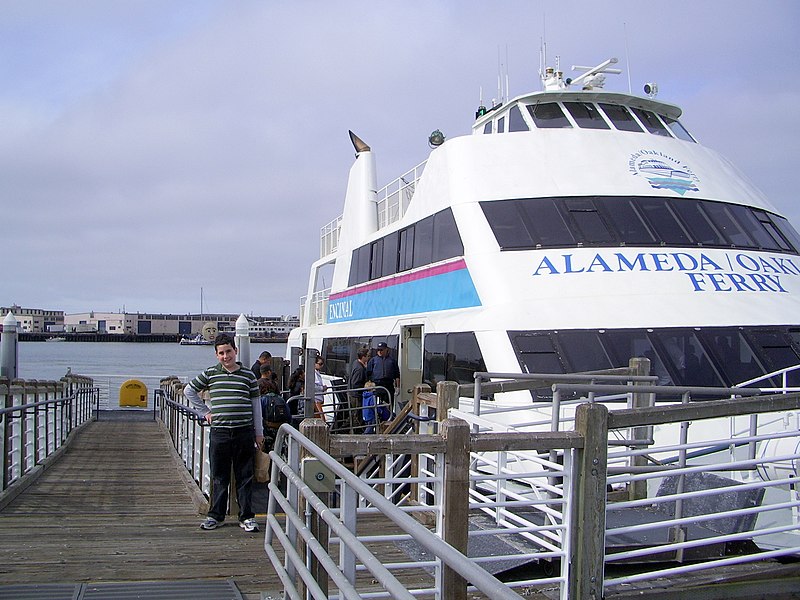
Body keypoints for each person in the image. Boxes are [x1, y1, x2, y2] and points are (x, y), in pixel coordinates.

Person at [184, 333, 263, 533]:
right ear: (216, 355)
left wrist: (259, 433)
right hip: (219, 432)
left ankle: (246, 516)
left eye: (228, 351)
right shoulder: (211, 373)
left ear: (235, 351)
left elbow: (256, 407)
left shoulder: (248, 376)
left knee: (245, 475)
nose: (226, 356)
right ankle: (215, 515)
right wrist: (205, 412)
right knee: (219, 475)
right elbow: (189, 390)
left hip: (244, 431)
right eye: (221, 353)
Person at [367, 342, 400, 408]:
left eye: (381, 350)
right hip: (377, 386)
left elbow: (397, 375)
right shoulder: (373, 360)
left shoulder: (392, 361)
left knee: (389, 405)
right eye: (378, 350)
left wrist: (398, 387)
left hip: (388, 386)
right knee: (376, 405)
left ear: (386, 350)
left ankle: (389, 416)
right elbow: (368, 373)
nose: (379, 351)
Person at [347, 348, 369, 431]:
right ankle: (355, 431)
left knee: (353, 415)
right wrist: (366, 387)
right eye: (367, 356)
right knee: (356, 415)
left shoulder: (355, 363)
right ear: (363, 357)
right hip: (356, 395)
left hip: (353, 393)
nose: (368, 358)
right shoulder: (359, 369)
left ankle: (345, 429)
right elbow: (355, 383)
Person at [313, 355, 327, 420]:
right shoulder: (313, 373)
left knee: (320, 418)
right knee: (321, 419)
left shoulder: (317, 372)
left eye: (322, 364)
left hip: (319, 399)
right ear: (314, 363)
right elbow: (313, 387)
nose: (322, 366)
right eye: (320, 364)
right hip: (316, 400)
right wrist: (322, 388)